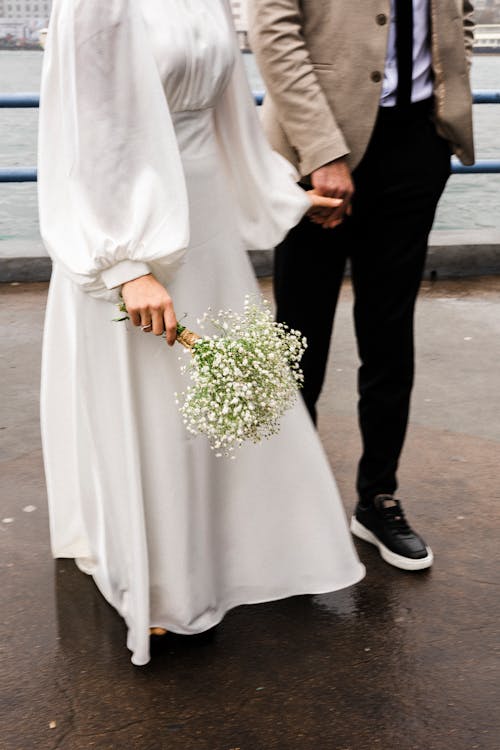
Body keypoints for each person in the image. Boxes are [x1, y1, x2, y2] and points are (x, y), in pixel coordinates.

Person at [38, 0, 365, 666]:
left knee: (224, 405)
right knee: (160, 414)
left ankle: (228, 557)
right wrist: (124, 264)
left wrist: (282, 193)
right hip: (135, 223)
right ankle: (164, 585)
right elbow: (87, 133)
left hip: (205, 219)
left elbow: (230, 118)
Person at [249, 0, 475, 572]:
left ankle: (378, 499)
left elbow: (460, 13)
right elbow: (273, 30)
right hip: (316, 148)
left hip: (416, 145)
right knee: (299, 335)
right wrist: (323, 150)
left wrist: (444, 114)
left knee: (390, 332)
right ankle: (283, 505)